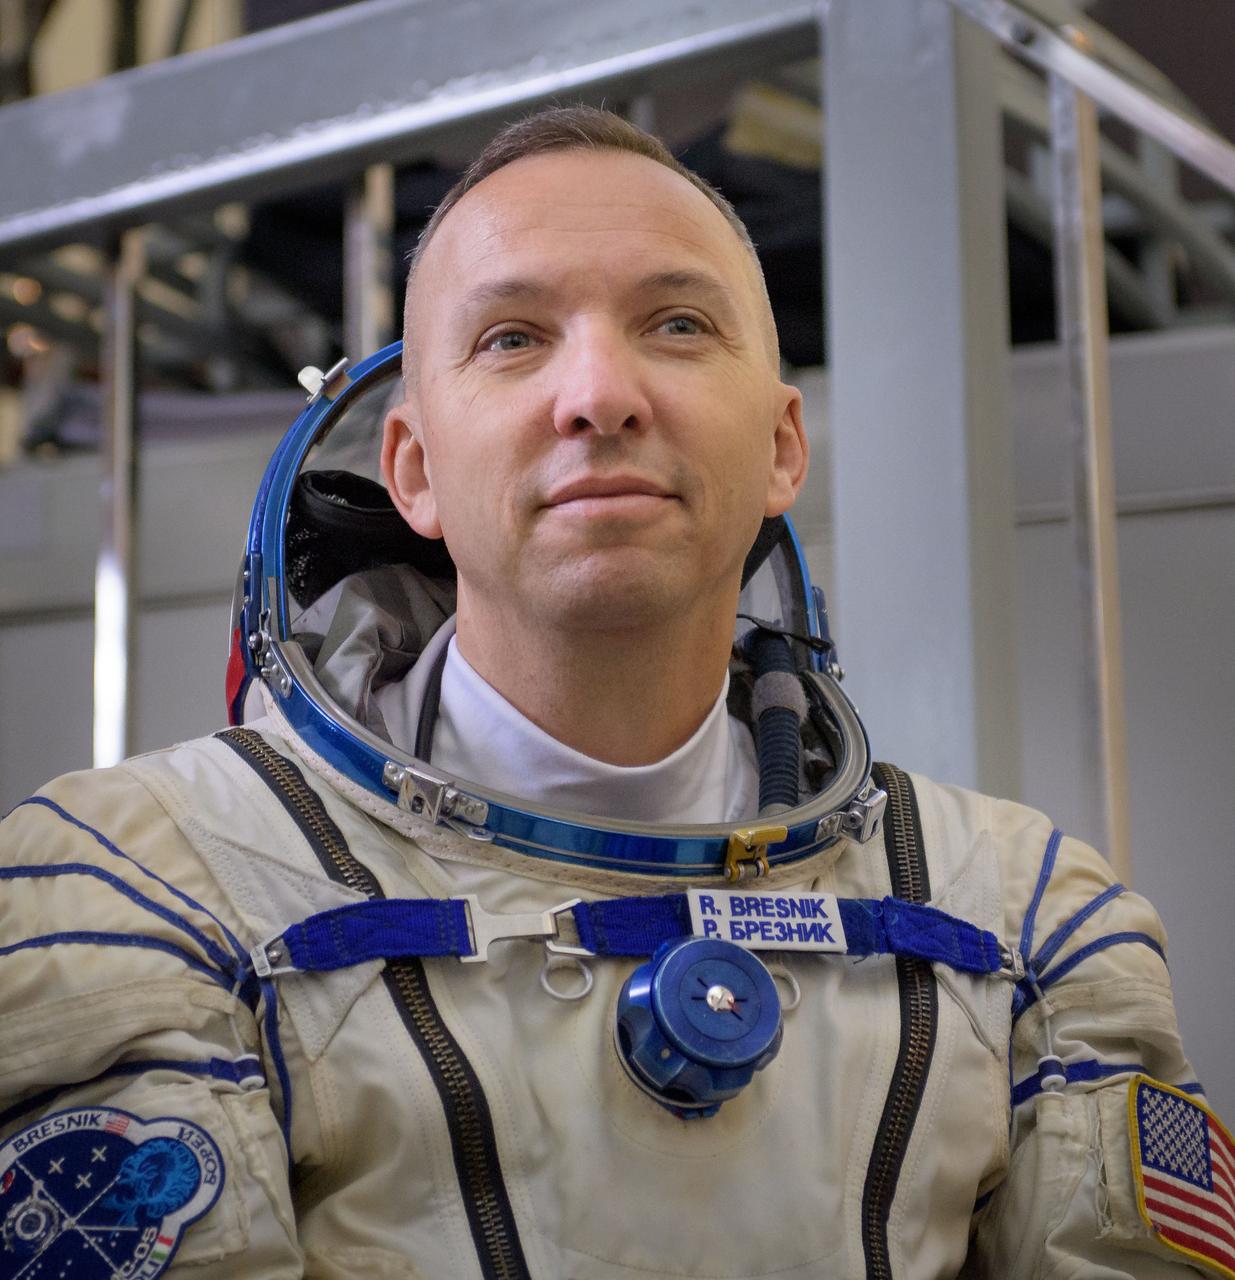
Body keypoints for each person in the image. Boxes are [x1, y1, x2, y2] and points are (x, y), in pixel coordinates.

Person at [1, 107, 1229, 1280]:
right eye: (511, 338)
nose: (598, 394)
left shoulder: (1023, 923)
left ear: (782, 449)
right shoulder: (140, 886)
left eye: (678, 324)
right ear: (413, 470)